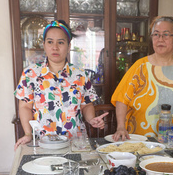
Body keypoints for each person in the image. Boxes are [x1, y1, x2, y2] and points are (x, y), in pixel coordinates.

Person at [111, 16, 173, 145]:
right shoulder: (139, 66)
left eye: (166, 35)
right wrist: (120, 127)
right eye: (156, 34)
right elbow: (122, 100)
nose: (160, 39)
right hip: (140, 140)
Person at [13, 20, 107, 149]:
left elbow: (87, 105)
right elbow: (24, 107)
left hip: (75, 142)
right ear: (44, 44)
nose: (55, 47)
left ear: (68, 46)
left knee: (75, 169)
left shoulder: (80, 75)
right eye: (50, 42)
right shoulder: (31, 74)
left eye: (61, 42)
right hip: (43, 143)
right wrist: (28, 134)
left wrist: (91, 119)